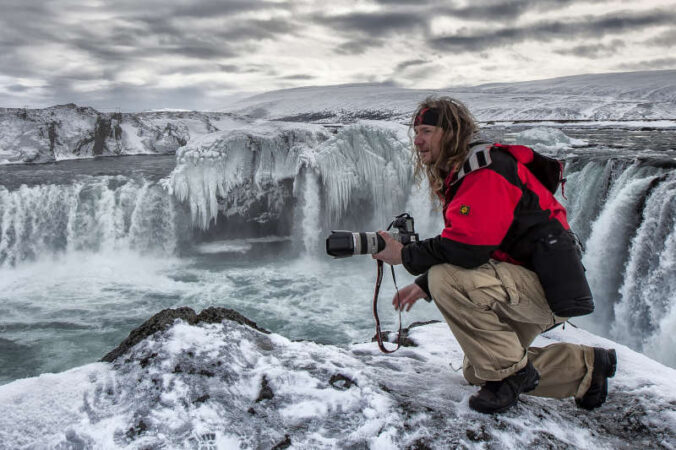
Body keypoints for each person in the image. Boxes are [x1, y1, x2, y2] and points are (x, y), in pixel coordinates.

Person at [373, 97, 617, 414]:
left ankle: (513, 375)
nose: (418, 140)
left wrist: (405, 255)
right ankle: (586, 368)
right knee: (479, 370)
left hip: (548, 288)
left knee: (446, 279)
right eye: (416, 131)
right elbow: (478, 241)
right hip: (533, 281)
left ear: (451, 132)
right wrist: (424, 284)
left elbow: (468, 249)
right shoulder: (467, 170)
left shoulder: (486, 171)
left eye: (427, 130)